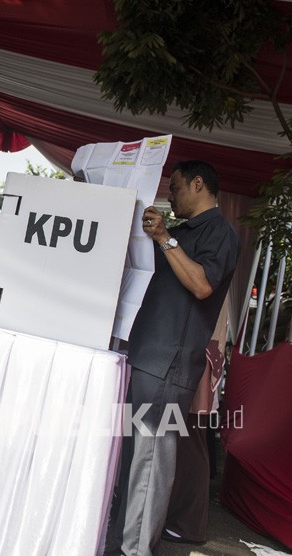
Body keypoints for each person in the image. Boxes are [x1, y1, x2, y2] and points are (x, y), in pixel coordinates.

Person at [105, 161, 240, 556]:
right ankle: (121, 544)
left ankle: (135, 551)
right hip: (145, 357)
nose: (171, 195)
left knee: (149, 468)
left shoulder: (221, 233)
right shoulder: (178, 233)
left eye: (177, 187)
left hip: (169, 365)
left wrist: (165, 237)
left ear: (199, 184)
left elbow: (201, 285)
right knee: (132, 461)